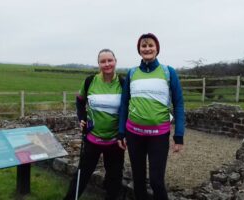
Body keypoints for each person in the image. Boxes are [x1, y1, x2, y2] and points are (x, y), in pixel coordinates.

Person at [117, 33, 185, 200]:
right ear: (139, 50)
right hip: (134, 135)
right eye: (143, 46)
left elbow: (179, 104)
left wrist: (179, 135)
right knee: (138, 179)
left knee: (156, 181)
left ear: (157, 49)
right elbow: (124, 103)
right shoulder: (132, 73)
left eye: (150, 45)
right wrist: (121, 132)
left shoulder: (168, 72)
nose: (147, 48)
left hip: (159, 136)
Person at [64, 49, 125, 200]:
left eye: (109, 60)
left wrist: (124, 133)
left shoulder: (124, 83)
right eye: (103, 61)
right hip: (92, 138)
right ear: (98, 64)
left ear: (115, 61)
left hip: (114, 141)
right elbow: (79, 101)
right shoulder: (90, 81)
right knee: (82, 174)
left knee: (114, 178)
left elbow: (129, 109)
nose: (107, 64)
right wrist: (82, 118)